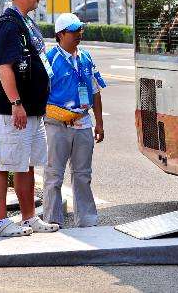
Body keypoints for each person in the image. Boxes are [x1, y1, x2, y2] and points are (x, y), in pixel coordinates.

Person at [0, 0, 59, 237]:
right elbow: (4, 68)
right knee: (3, 163)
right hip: (12, 110)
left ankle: (28, 217)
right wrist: (16, 102)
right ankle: (0, 222)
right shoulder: (8, 24)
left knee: (26, 163)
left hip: (31, 109)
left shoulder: (25, 22)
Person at [43, 13, 106, 228]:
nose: (79, 34)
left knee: (83, 174)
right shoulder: (49, 59)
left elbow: (96, 91)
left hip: (83, 124)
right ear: (60, 34)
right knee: (54, 175)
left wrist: (99, 122)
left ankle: (87, 220)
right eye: (73, 31)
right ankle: (52, 220)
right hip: (57, 125)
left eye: (80, 29)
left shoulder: (86, 58)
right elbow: (41, 94)